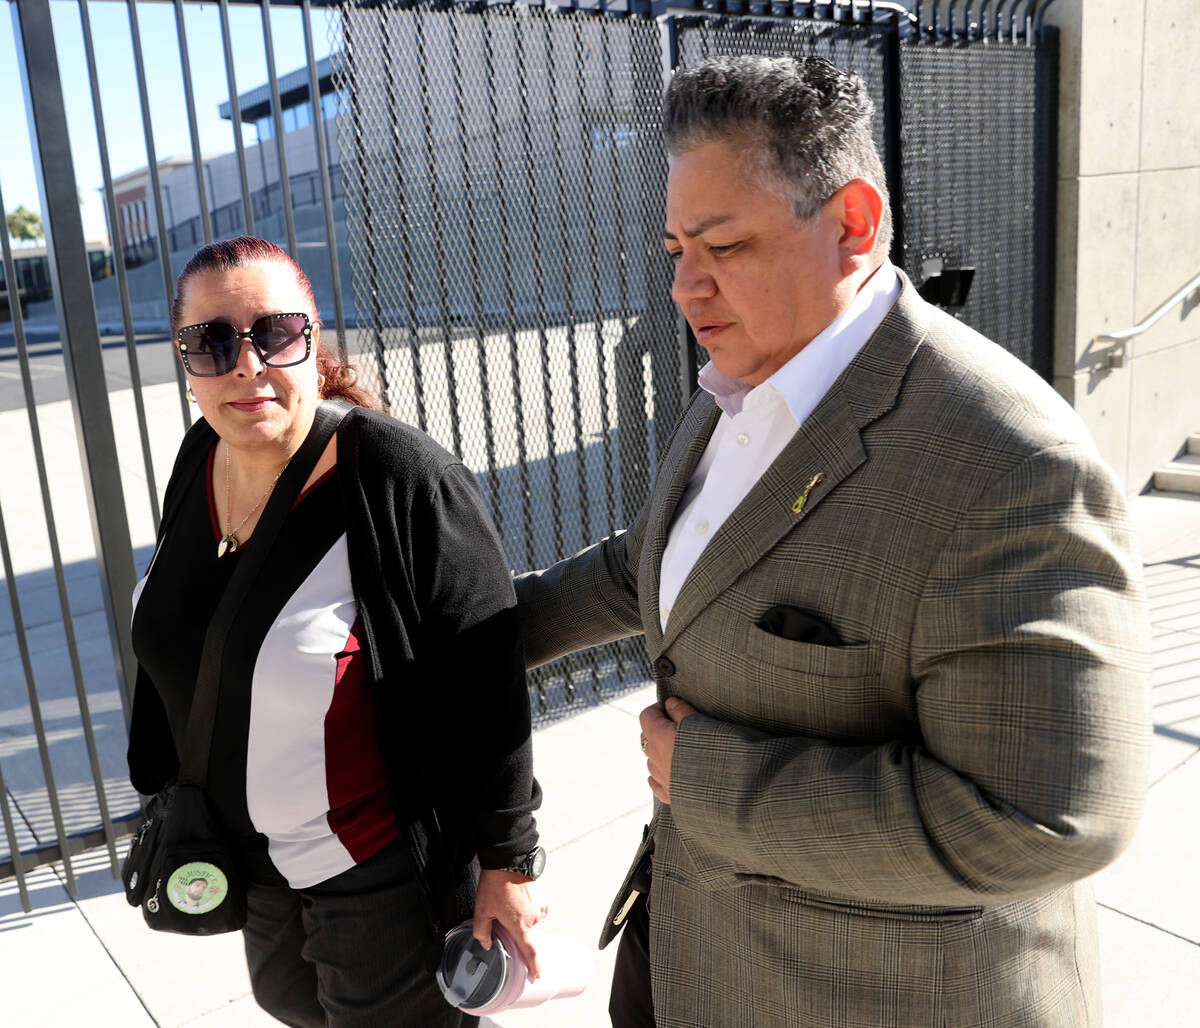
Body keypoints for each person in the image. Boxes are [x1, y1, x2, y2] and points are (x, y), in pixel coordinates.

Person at [515, 56, 1150, 1027]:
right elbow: (655, 560)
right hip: (695, 955)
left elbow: (1049, 820)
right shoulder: (743, 380)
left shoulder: (1008, 464)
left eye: (723, 244)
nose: (687, 287)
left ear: (853, 222)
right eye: (676, 246)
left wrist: (712, 782)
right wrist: (469, 626)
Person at [127, 236, 548, 1027]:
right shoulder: (201, 457)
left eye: (274, 334)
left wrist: (510, 862)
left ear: (313, 342)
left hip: (378, 873)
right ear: (185, 363)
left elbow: (488, 680)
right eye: (211, 342)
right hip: (254, 868)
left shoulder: (397, 477)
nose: (246, 365)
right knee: (287, 1000)